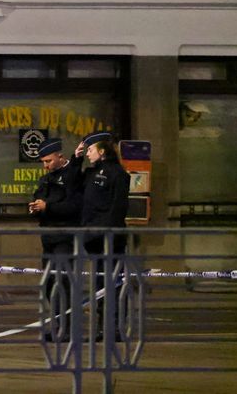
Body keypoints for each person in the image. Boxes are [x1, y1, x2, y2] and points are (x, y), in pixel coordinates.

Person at [28, 137, 82, 342]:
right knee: (50, 283)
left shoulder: (73, 176)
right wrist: (35, 208)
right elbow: (39, 199)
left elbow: (74, 207)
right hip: (49, 239)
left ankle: (67, 328)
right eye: (43, 161)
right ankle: (58, 324)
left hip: (66, 238)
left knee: (63, 283)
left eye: (49, 161)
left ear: (60, 156)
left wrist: (48, 207)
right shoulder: (46, 179)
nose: (45, 165)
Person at [78, 131, 131, 342]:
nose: (87, 154)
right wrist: (75, 157)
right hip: (93, 239)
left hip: (110, 239)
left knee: (115, 285)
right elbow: (74, 181)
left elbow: (117, 209)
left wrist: (105, 233)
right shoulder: (91, 173)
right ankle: (102, 328)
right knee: (100, 287)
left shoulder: (118, 174)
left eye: (90, 150)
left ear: (101, 151)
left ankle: (115, 328)